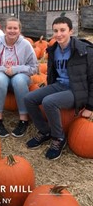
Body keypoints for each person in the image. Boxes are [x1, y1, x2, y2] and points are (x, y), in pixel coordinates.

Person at [25, 16, 93, 160]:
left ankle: (58, 138)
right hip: (59, 85)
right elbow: (52, 73)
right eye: (56, 30)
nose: (59, 34)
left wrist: (90, 106)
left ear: (71, 31)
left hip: (76, 90)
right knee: (29, 98)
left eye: (63, 30)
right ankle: (45, 131)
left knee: (49, 102)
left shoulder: (84, 50)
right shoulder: (53, 50)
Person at [0, 17, 38, 138]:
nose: (12, 31)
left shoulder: (26, 45)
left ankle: (23, 119)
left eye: (15, 28)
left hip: (20, 77)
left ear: (19, 30)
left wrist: (16, 69)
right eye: (9, 28)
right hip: (0, 76)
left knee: (18, 80)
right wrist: (3, 69)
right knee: (0, 79)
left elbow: (34, 68)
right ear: (4, 29)